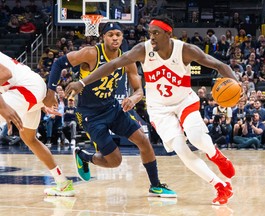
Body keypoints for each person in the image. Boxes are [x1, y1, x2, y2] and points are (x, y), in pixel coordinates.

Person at [64, 16, 236, 205]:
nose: (151, 37)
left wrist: (238, 86)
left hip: (184, 102)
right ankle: (221, 186)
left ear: (168, 34)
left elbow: (221, 65)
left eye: (156, 33)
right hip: (159, 108)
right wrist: (82, 82)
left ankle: (215, 154)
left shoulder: (185, 50)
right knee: (181, 150)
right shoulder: (142, 50)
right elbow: (112, 65)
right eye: (150, 33)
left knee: (195, 136)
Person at [45, 22, 176, 198]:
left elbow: (139, 90)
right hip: (90, 114)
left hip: (112, 108)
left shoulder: (127, 59)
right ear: (103, 37)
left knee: (144, 141)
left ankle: (155, 185)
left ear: (122, 37)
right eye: (110, 34)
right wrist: (51, 92)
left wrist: (134, 98)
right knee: (115, 161)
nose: (115, 38)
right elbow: (59, 63)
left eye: (118, 34)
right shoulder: (91, 53)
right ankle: (84, 157)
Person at [0, 52, 75, 196]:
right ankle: (63, 183)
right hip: (31, 88)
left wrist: (2, 105)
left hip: (26, 89)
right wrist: (38, 104)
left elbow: (5, 73)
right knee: (29, 139)